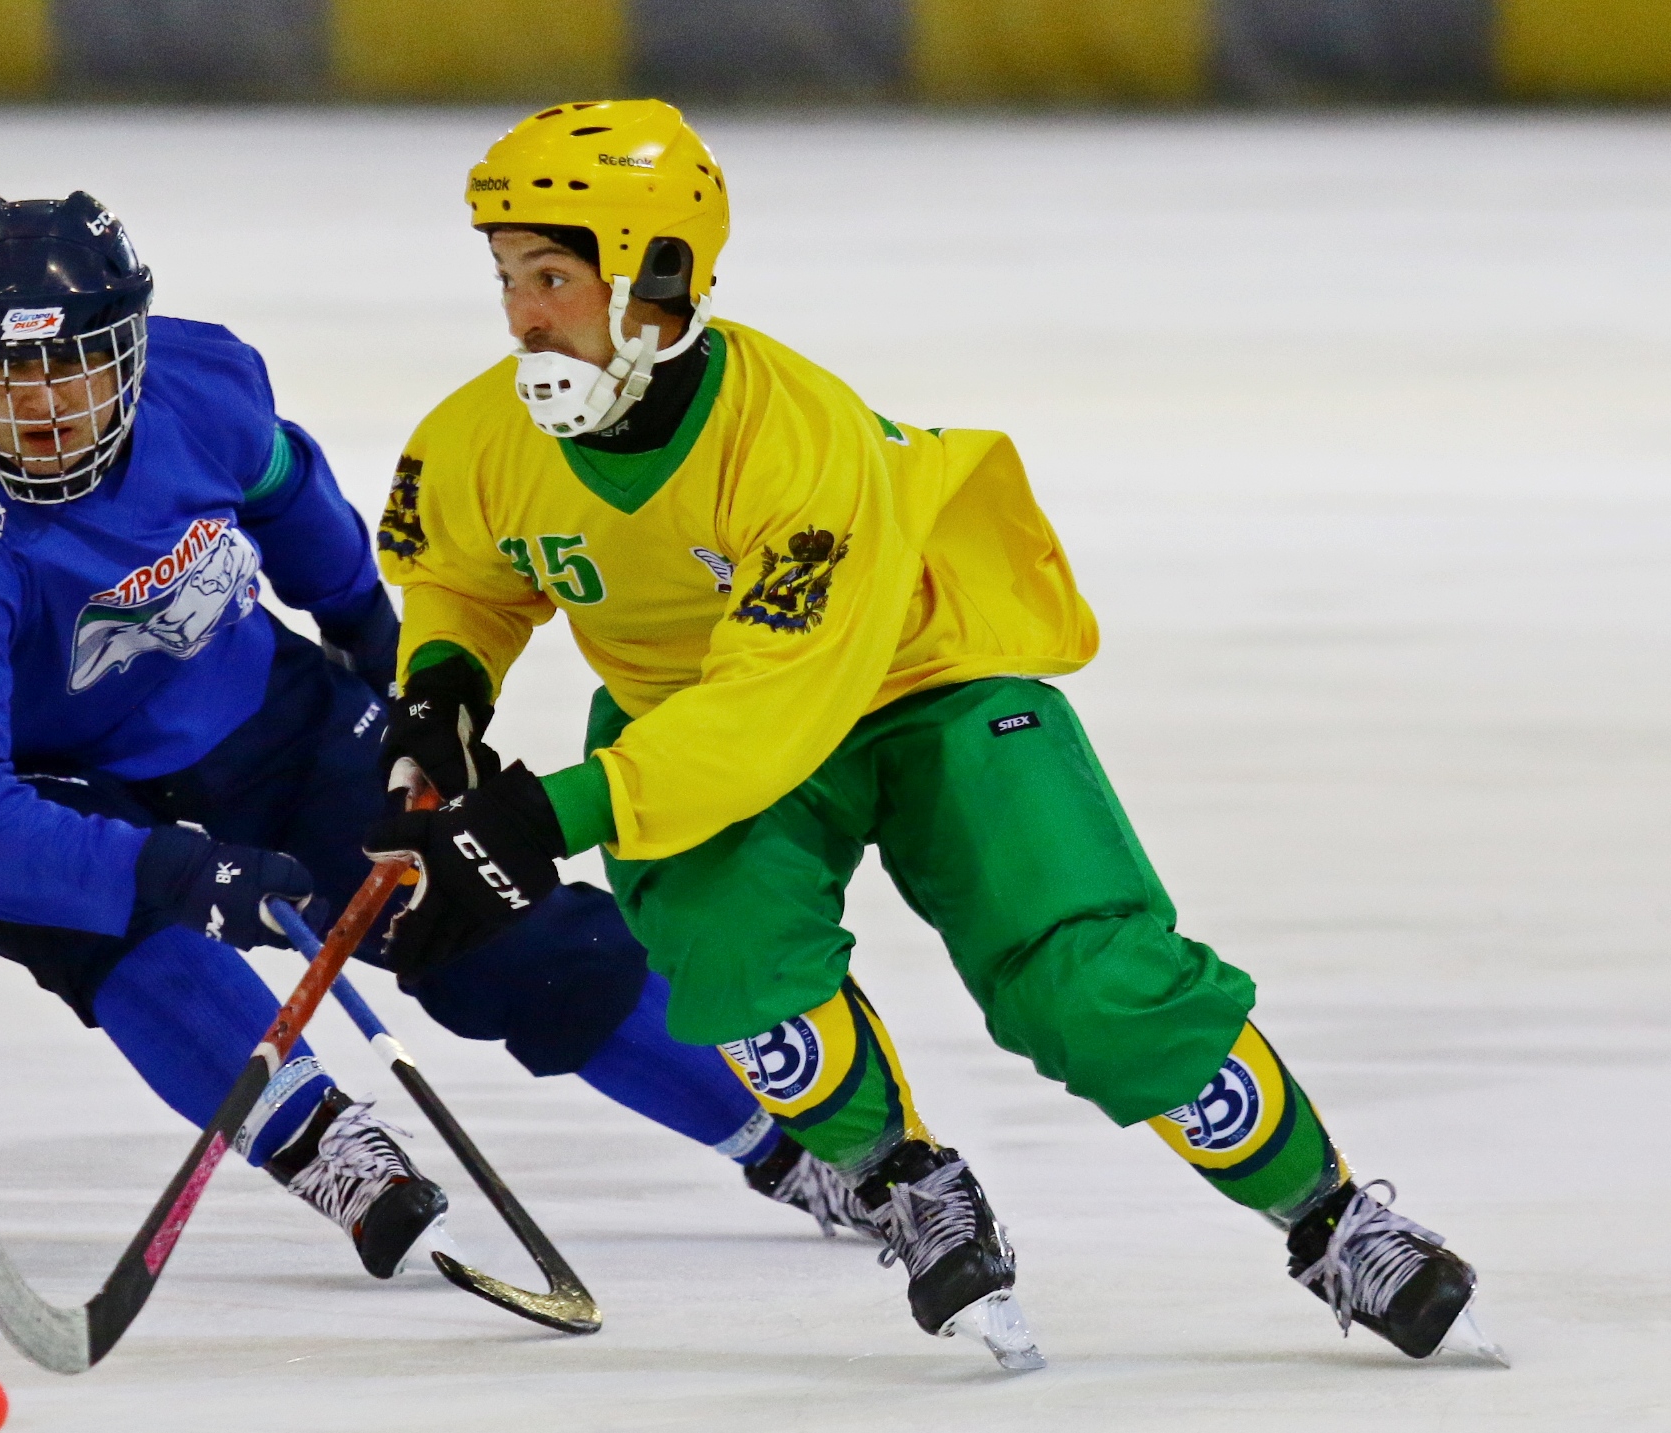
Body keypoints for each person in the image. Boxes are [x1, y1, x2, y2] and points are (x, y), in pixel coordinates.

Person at [364, 101, 1500, 1367]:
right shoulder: (474, 435)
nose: (523, 315)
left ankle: (1331, 1217)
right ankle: (901, 1179)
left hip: (919, 682)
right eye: (508, 278)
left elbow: (766, 709)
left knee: (1092, 977)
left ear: (656, 276)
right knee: (737, 964)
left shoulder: (800, 439)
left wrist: (539, 814)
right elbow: (469, 571)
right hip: (683, 718)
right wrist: (442, 700)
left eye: (555, 276)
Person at [0, 192, 874, 1286]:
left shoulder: (200, 383)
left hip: (262, 717)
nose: (39, 409)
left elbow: (285, 491)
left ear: (131, 353)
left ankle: (790, 1138)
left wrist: (368, 634)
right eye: (4, 377)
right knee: (142, 935)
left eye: (70, 368)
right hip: (40, 792)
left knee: (499, 924)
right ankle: (334, 1152)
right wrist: (170, 869)